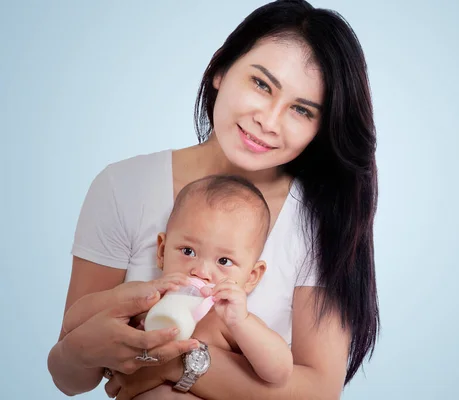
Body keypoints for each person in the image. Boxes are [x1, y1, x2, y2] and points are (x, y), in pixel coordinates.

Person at [47, 0, 379, 399]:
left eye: (302, 110)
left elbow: (320, 391)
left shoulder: (318, 219)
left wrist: (176, 362)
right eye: (261, 84)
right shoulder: (124, 187)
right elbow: (69, 377)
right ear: (221, 69)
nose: (268, 122)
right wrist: (84, 348)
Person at [62, 175, 294, 388]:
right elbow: (73, 322)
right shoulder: (143, 299)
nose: (201, 271)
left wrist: (241, 322)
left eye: (224, 260)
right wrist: (132, 295)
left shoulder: (228, 321)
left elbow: (279, 372)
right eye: (188, 251)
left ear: (251, 277)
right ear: (162, 251)